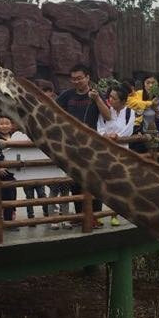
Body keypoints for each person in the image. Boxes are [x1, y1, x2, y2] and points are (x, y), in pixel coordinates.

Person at [56, 63, 102, 218]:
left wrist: (97, 100)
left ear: (87, 77)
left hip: (92, 147)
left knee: (93, 181)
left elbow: (108, 115)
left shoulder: (96, 94)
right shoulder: (66, 95)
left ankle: (95, 216)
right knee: (75, 181)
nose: (76, 82)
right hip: (72, 146)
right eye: (73, 79)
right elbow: (54, 111)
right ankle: (79, 216)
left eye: (80, 78)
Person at [38, 80, 72, 229]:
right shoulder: (38, 116)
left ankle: (65, 218)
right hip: (50, 157)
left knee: (65, 190)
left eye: (50, 98)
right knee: (53, 190)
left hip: (64, 155)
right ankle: (53, 219)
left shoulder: (60, 114)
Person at [0, 115, 19, 224]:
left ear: (12, 125)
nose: (4, 126)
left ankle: (12, 215)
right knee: (3, 195)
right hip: (1, 173)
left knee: (13, 194)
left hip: (13, 172)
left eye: (7, 123)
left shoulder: (15, 137)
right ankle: (7, 220)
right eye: (1, 123)